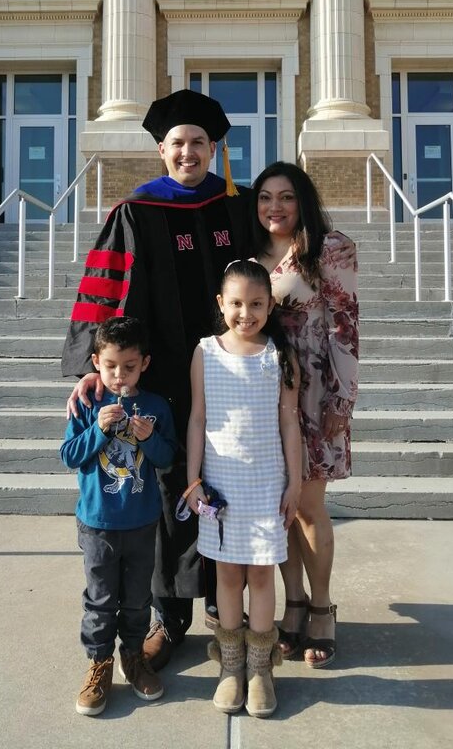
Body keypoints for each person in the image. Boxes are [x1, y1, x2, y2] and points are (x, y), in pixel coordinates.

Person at [62, 89, 252, 668]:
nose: (188, 153)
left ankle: (229, 616)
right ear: (162, 151)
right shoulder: (137, 211)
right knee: (169, 493)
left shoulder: (238, 207)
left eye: (198, 143)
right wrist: (92, 371)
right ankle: (169, 620)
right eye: (177, 144)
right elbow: (107, 297)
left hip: (230, 375)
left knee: (231, 486)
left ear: (213, 147)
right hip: (161, 379)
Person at [252, 161, 359, 670]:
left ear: (304, 202)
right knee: (282, 506)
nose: (275, 207)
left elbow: (345, 326)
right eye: (266, 197)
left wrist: (343, 398)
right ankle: (291, 603)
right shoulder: (249, 255)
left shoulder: (330, 248)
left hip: (315, 393)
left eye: (287, 197)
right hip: (264, 394)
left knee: (310, 505)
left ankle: (321, 607)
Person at [185, 260, 302, 718]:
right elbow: (197, 418)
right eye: (236, 303)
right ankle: (230, 666)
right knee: (228, 576)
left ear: (270, 306)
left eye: (256, 304)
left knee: (261, 575)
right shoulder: (205, 352)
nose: (246, 313)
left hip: (267, 484)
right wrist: (193, 480)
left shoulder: (279, 356)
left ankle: (260, 668)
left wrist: (294, 482)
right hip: (220, 487)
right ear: (221, 303)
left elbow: (289, 423)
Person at [60, 316, 177, 716]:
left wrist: (149, 437)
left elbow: (167, 459)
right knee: (100, 598)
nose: (119, 375)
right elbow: (69, 456)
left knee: (137, 598)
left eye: (128, 367)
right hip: (97, 522)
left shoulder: (156, 406)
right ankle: (98, 663)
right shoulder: (87, 403)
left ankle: (133, 657)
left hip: (142, 521)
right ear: (96, 362)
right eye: (110, 366)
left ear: (144, 363)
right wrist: (97, 430)